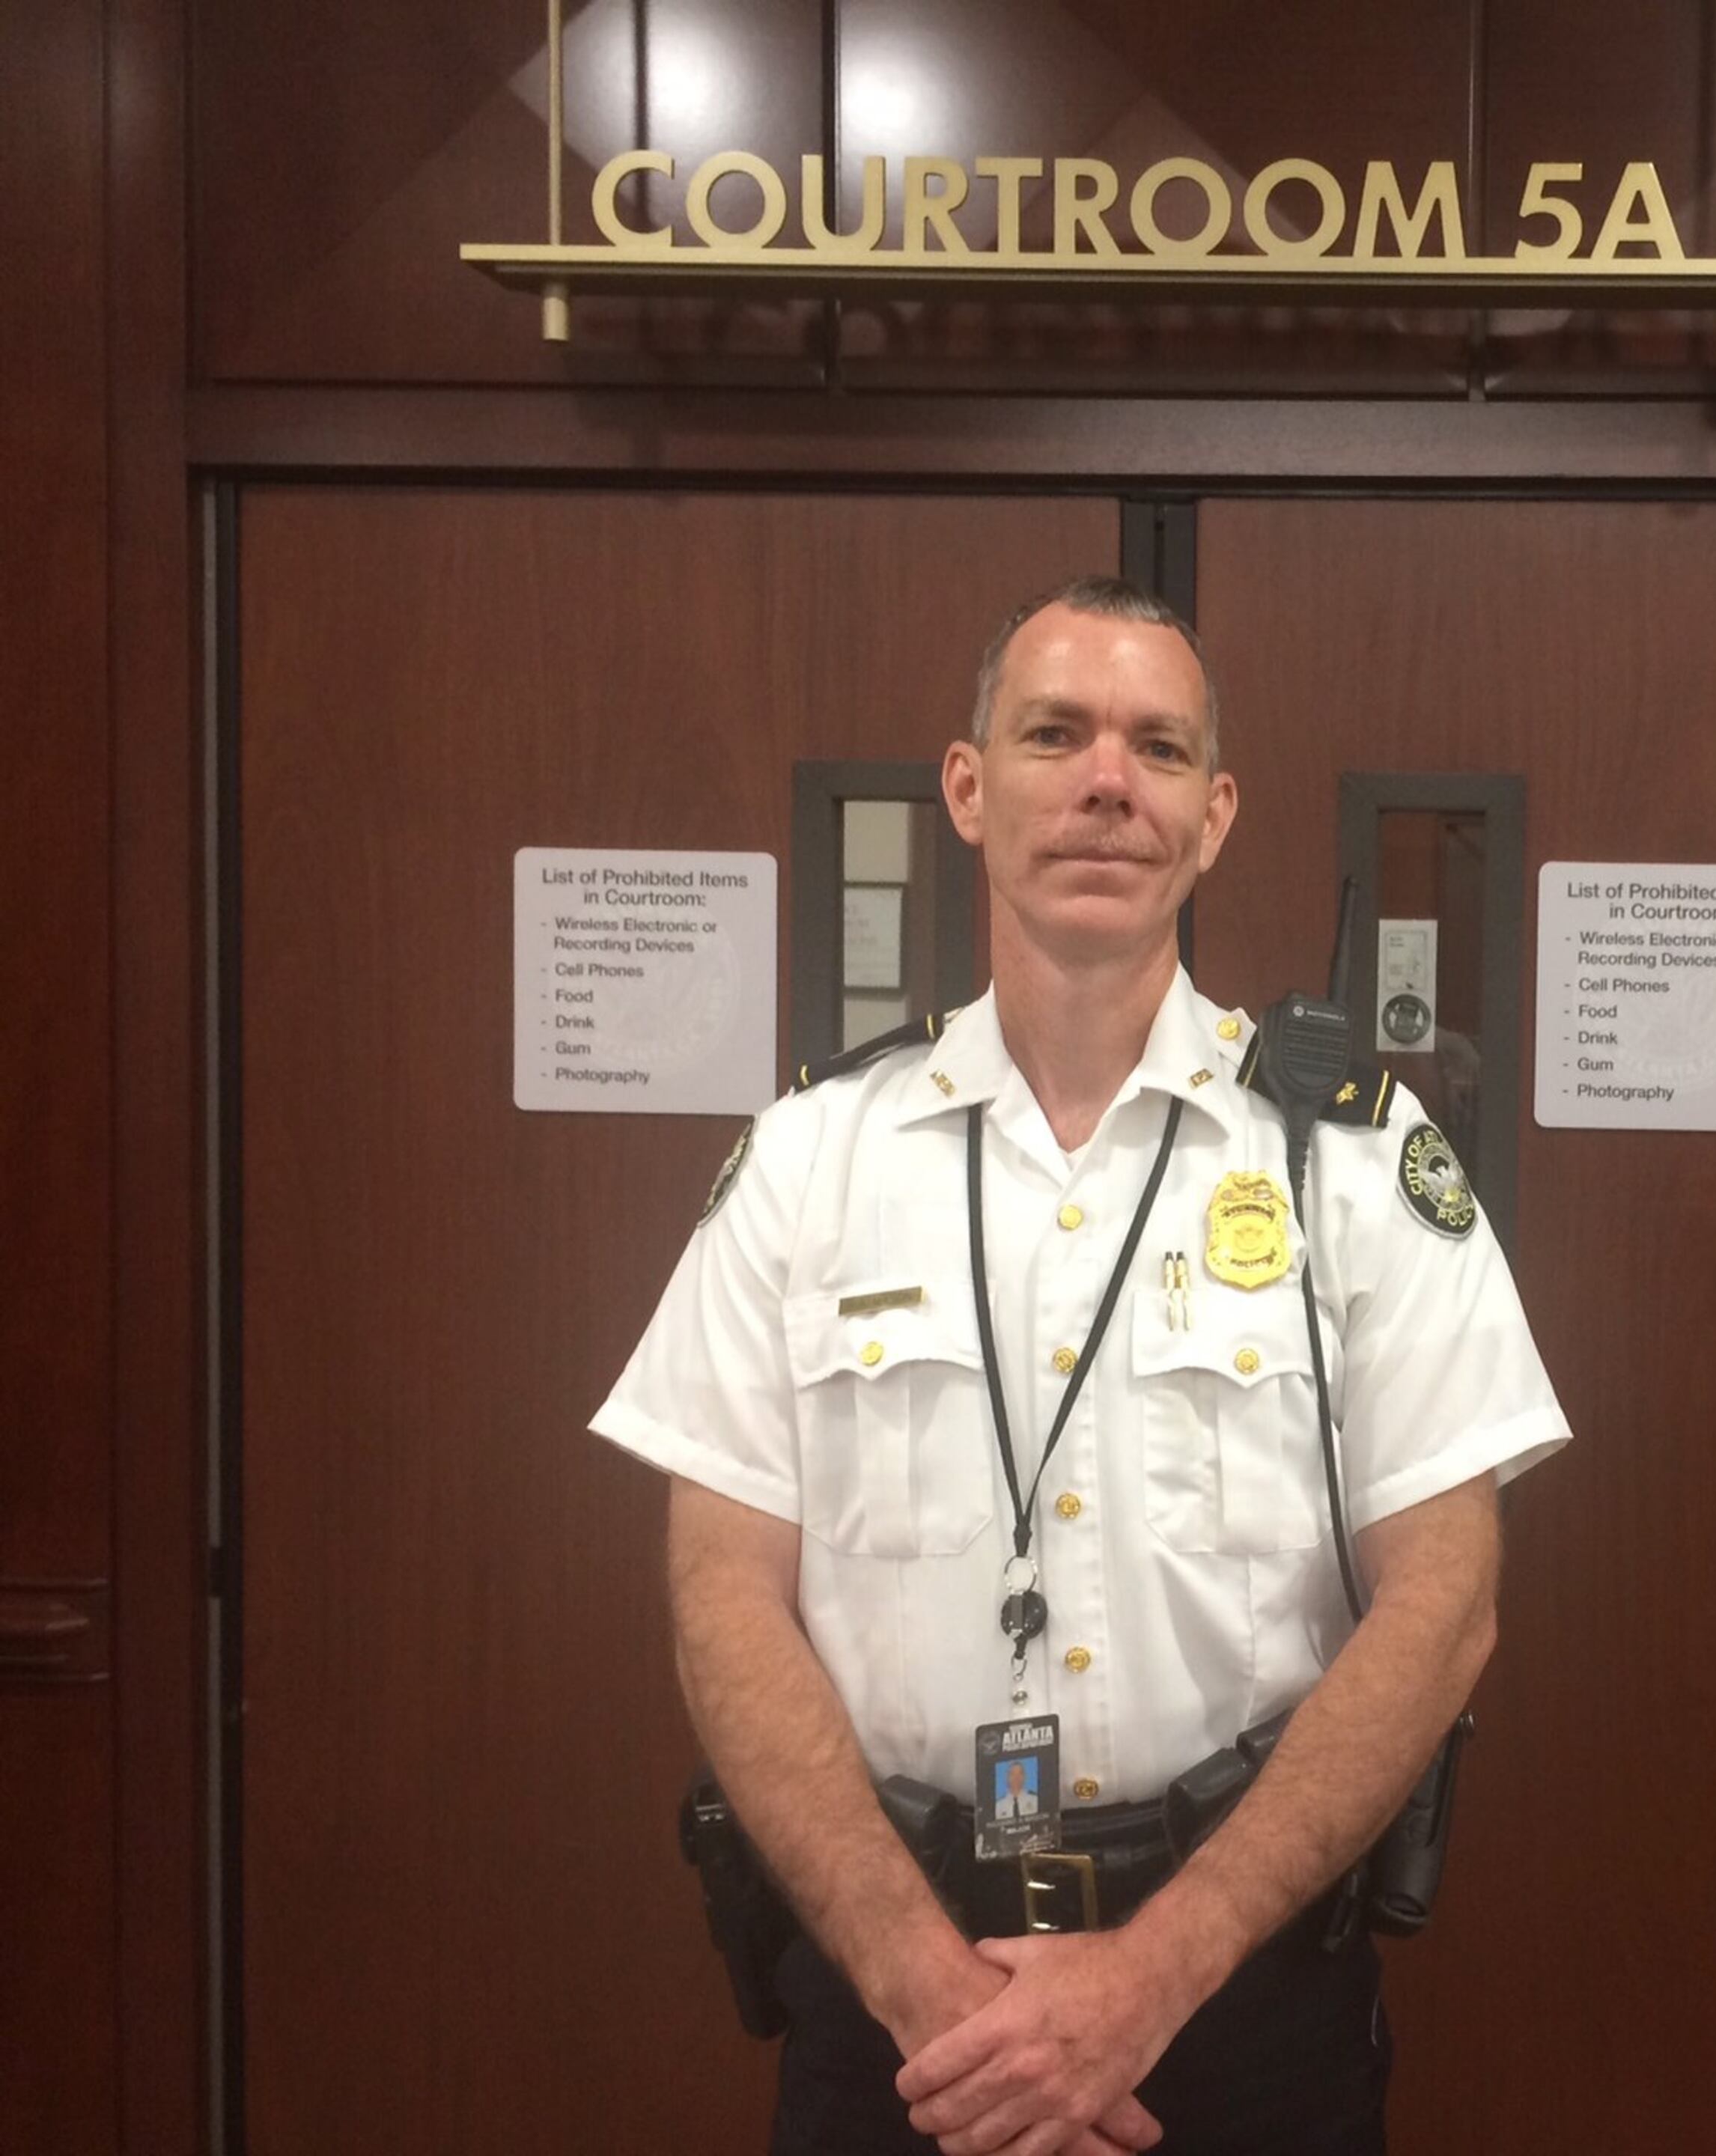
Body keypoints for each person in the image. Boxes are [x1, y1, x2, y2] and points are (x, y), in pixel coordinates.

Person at [592, 576, 1570, 2156]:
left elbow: (1449, 1599)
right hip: (903, 2012)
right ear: (969, 790)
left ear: (1215, 813)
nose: (1108, 781)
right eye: (1056, 734)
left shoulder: (1357, 1168)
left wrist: (1150, 1978)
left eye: (1159, 748)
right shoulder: (809, 1163)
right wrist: (929, 1993)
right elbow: (720, 1593)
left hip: (1245, 2009)